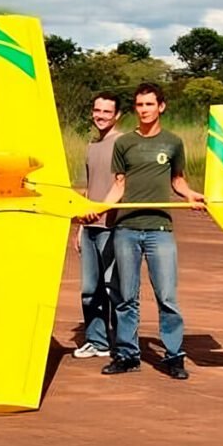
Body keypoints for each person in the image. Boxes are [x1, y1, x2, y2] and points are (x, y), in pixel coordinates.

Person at [87, 82, 204, 380]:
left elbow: (177, 180)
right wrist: (99, 209)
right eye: (140, 105)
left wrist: (190, 195)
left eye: (149, 104)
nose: (144, 110)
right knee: (126, 296)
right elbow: (119, 185)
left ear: (161, 107)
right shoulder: (124, 143)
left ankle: (174, 356)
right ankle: (127, 355)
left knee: (167, 296)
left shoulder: (173, 142)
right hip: (126, 228)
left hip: (160, 228)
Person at [72, 92, 123, 359]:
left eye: (106, 111)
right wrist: (81, 225)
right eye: (96, 110)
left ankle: (124, 342)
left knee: (113, 287)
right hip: (90, 226)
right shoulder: (92, 147)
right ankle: (97, 341)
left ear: (117, 115)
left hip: (112, 226)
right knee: (90, 289)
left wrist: (100, 211)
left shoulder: (123, 143)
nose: (100, 116)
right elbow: (89, 189)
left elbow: (123, 186)